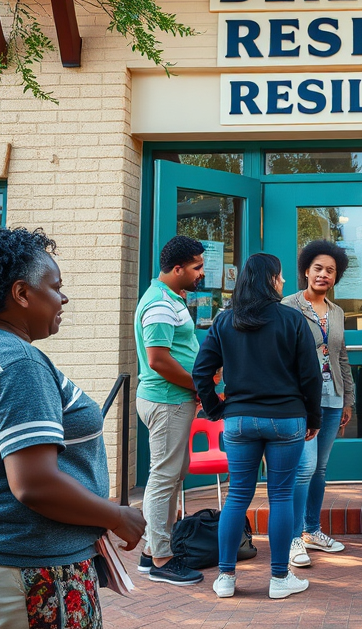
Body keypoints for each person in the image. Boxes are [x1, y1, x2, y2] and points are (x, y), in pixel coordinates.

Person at [0, 227, 145, 629]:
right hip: (25, 568)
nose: (63, 298)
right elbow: (34, 484)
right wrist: (116, 516)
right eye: (56, 287)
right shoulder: (18, 363)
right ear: (21, 293)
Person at [191, 253, 322, 600]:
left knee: (237, 496)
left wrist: (216, 408)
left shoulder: (225, 321)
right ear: (270, 280)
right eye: (278, 277)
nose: (281, 282)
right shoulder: (292, 320)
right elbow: (311, 377)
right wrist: (314, 418)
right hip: (286, 419)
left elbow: (201, 372)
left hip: (239, 420)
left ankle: (226, 578)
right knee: (280, 496)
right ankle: (279, 580)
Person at [134, 235, 205, 586]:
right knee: (163, 477)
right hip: (166, 400)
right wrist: (198, 385)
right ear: (177, 269)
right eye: (196, 267)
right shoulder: (160, 303)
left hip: (173, 400)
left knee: (173, 474)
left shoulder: (170, 298)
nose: (201, 273)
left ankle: (153, 551)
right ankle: (161, 559)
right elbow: (158, 359)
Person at [282, 240, 354, 569]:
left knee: (321, 469)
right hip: (301, 400)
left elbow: (341, 358)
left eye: (331, 271)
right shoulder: (289, 305)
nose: (324, 275)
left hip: (333, 398)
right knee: (304, 469)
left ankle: (312, 530)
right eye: (318, 269)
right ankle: (294, 537)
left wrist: (348, 399)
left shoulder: (337, 312)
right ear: (306, 271)